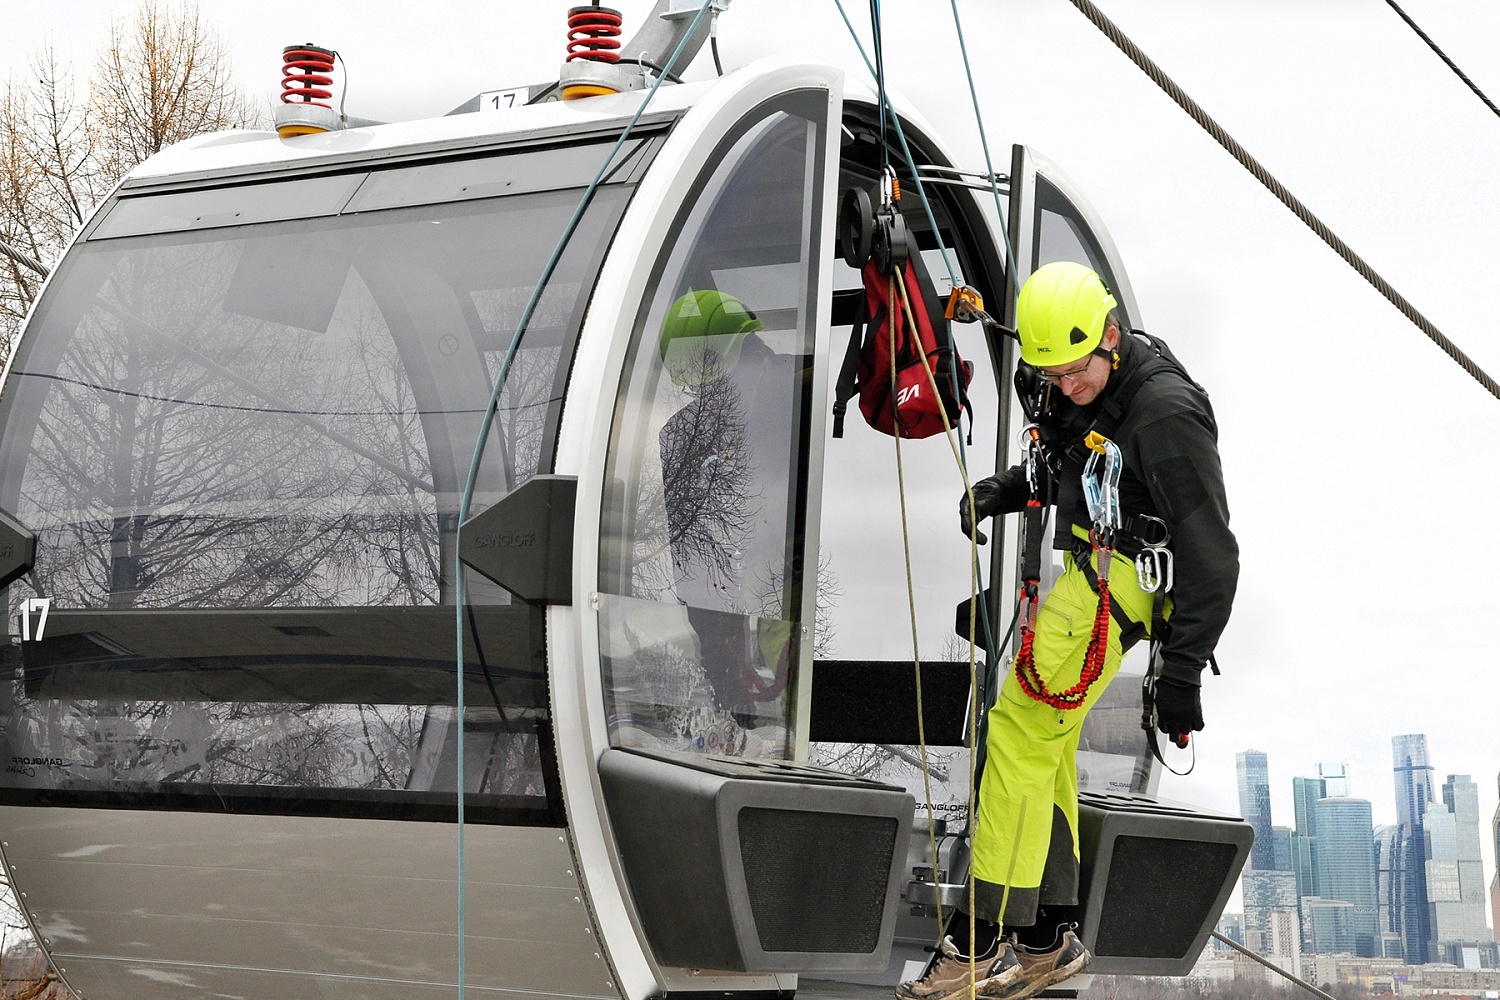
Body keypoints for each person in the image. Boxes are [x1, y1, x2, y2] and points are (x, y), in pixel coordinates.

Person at [898, 261, 1238, 1000]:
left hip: (1129, 574)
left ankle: (979, 940)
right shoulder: (1077, 384)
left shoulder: (1165, 415)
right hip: (1098, 556)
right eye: (1050, 373)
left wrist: (1181, 672)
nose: (1065, 386)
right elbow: (1076, 463)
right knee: (1043, 741)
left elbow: (1212, 552)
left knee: (1017, 727)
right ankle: (1046, 936)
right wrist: (1011, 490)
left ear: (1112, 338)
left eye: (1076, 371)